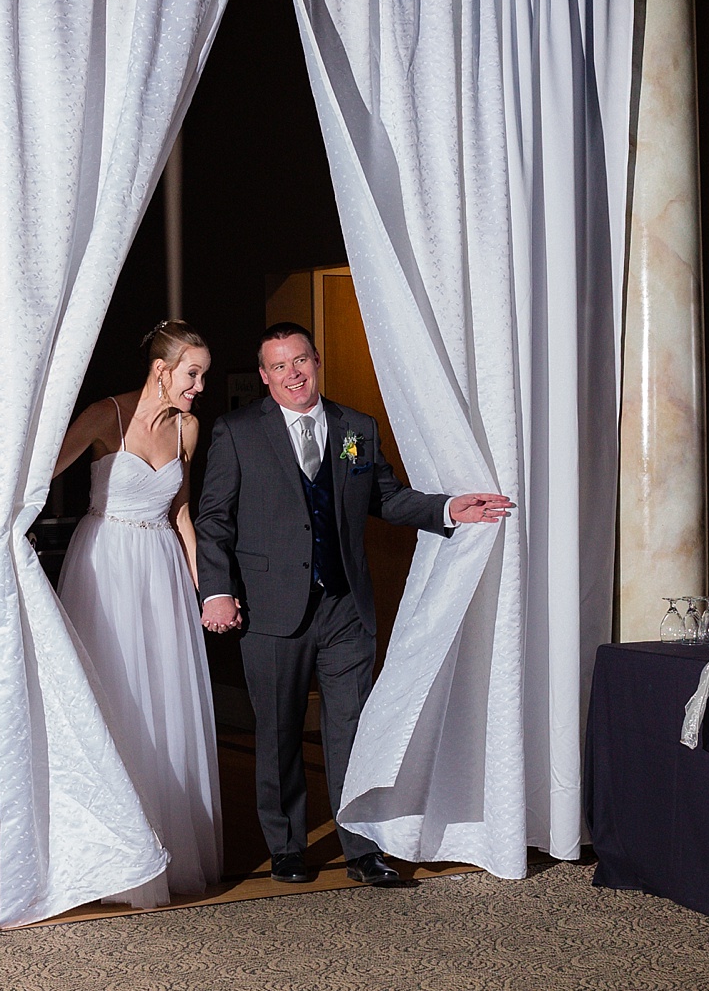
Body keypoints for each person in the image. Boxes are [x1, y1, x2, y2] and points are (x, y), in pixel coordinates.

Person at [192, 321, 513, 887]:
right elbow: (214, 519)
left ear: (317, 362)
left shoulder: (355, 428)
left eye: (301, 361)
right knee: (279, 732)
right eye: (280, 366)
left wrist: (447, 509)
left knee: (352, 731)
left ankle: (362, 847)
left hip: (344, 610)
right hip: (269, 610)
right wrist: (217, 590)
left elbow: (386, 498)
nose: (293, 374)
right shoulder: (237, 432)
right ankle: (287, 846)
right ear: (264, 377)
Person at [53, 324, 224, 902]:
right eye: (192, 373)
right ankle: (108, 852)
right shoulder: (107, 417)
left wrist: (205, 585)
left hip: (161, 570)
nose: (200, 386)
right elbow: (43, 471)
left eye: (202, 374)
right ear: (161, 370)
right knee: (112, 695)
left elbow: (180, 511)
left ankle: (163, 846)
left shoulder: (189, 429)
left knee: (163, 701)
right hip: (106, 564)